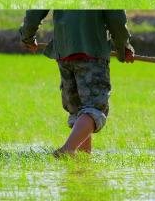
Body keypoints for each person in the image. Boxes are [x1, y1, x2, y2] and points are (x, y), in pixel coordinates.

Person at [19, 10, 135, 157]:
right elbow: (116, 18)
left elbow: (35, 11)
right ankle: (67, 150)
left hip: (64, 51)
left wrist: (27, 36)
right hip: (92, 51)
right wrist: (123, 47)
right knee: (94, 108)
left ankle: (82, 160)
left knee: (79, 110)